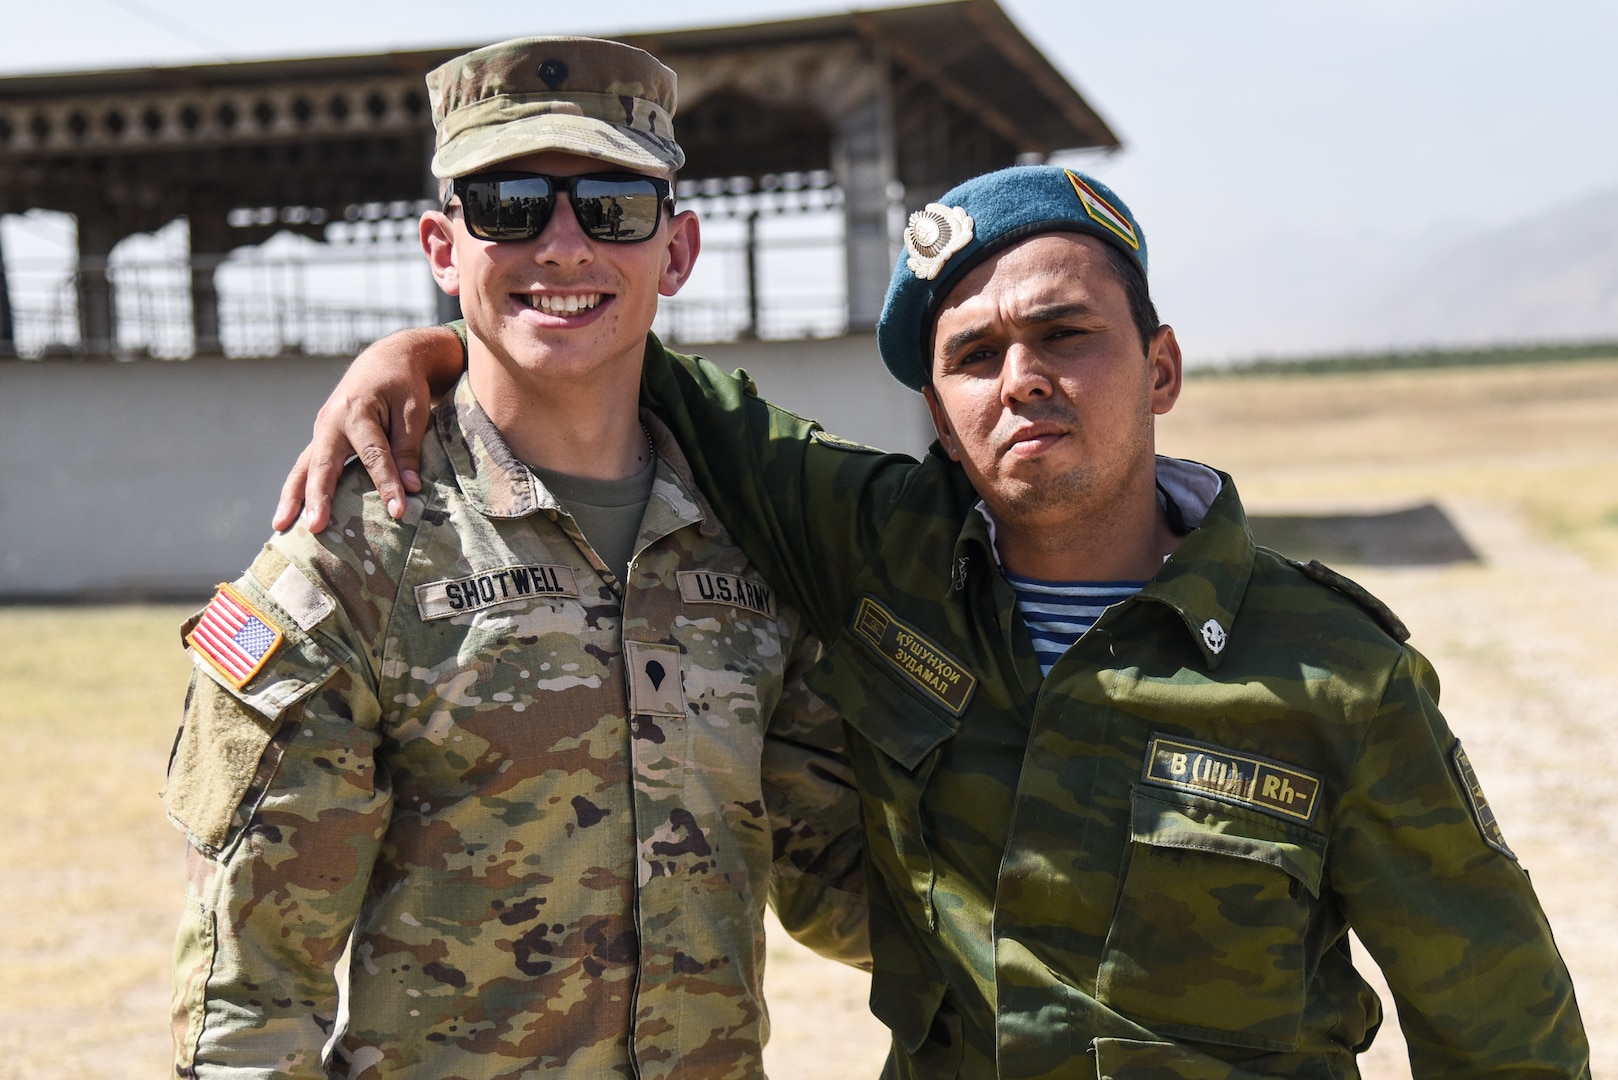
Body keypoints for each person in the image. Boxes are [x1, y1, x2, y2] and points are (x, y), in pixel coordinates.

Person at [280, 166, 1590, 1076]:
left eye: (1065, 334)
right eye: (972, 358)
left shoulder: (1330, 669)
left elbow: (1494, 1017)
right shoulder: (879, 555)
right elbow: (624, 358)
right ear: (940, 418)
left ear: (1162, 367)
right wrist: (439, 345)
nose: (1021, 379)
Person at [164, 36, 865, 1080]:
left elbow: (838, 883)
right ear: (443, 248)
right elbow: (250, 1007)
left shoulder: (754, 535)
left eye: (614, 207)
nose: (565, 246)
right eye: (510, 205)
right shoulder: (352, 564)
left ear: (675, 251)